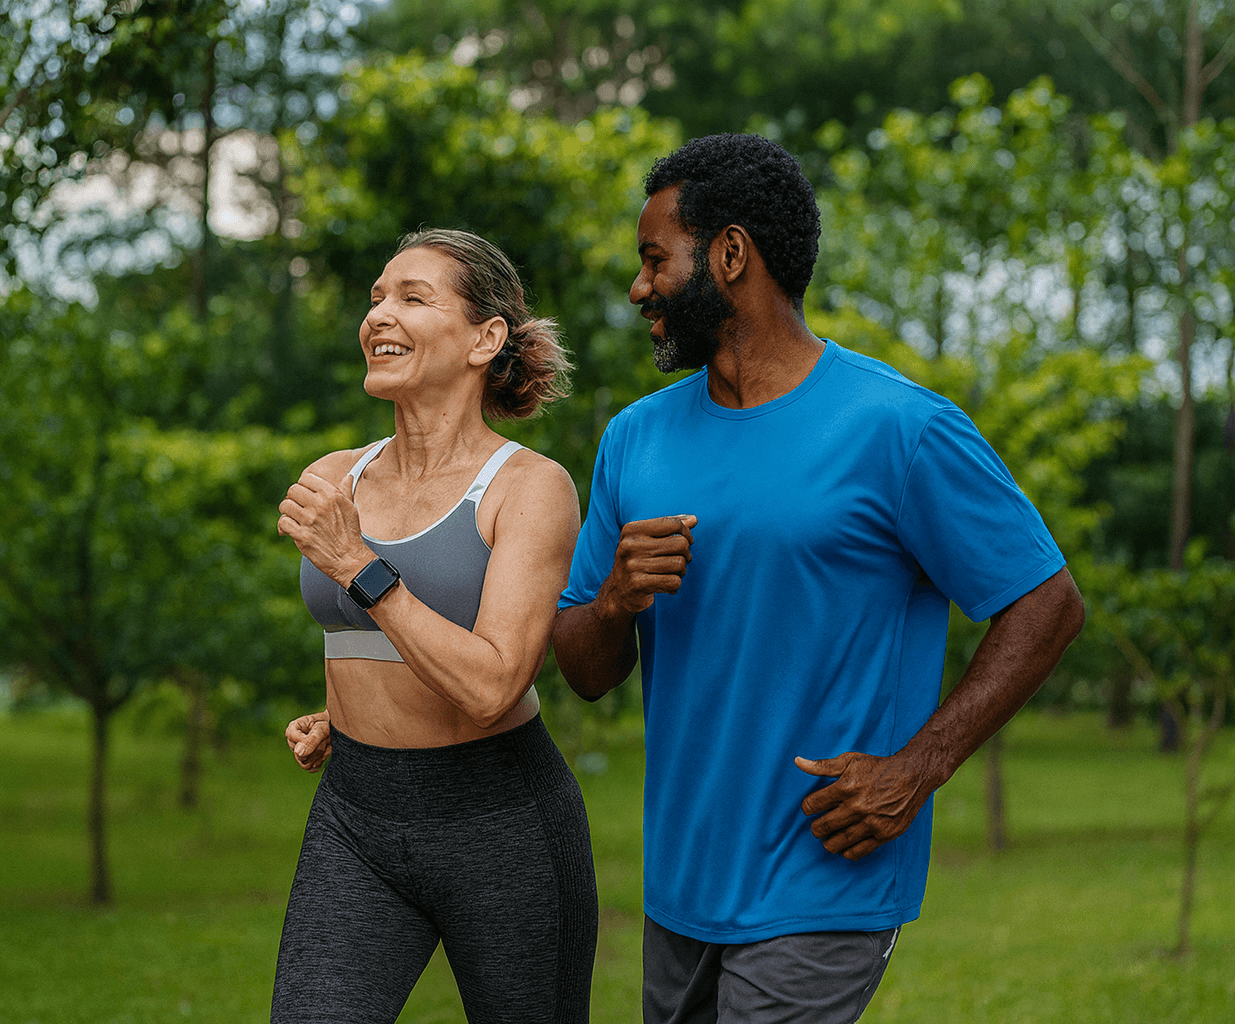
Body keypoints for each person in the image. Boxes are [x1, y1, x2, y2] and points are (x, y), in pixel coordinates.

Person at [552, 133, 1085, 1024]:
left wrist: (921, 765)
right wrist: (613, 599)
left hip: (822, 883)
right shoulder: (633, 440)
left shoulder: (898, 428)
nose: (639, 287)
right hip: (679, 887)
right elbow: (584, 669)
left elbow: (1048, 601)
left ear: (730, 255)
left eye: (655, 259)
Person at [271, 229, 598, 1024]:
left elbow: (491, 685)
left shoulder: (528, 488)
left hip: (500, 822)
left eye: (413, 298)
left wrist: (361, 566)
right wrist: (343, 711)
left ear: (486, 339)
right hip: (355, 815)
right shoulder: (334, 474)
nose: (379, 313)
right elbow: (353, 636)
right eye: (378, 296)